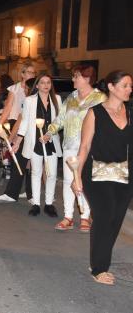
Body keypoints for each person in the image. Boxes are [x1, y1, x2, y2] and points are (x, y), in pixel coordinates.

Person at [73, 70, 132, 285]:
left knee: (115, 221)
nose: (129, 89)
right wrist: (76, 175)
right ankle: (99, 268)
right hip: (97, 173)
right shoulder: (95, 113)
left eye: (130, 86)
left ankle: (98, 258)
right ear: (111, 87)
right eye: (125, 85)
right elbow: (85, 146)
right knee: (104, 215)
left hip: (124, 175)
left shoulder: (131, 110)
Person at [46, 64, 105, 232]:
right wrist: (49, 132)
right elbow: (61, 118)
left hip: (90, 147)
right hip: (70, 147)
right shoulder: (71, 97)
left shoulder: (100, 99)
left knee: (84, 181)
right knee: (68, 181)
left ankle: (85, 217)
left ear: (86, 79)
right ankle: (68, 217)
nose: (73, 79)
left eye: (76, 76)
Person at [11, 75, 62, 217]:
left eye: (48, 82)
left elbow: (59, 120)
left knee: (51, 174)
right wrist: (18, 141)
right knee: (36, 172)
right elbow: (25, 122)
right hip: (34, 142)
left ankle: (49, 203)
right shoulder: (30, 101)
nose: (46, 85)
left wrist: (50, 134)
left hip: (50, 141)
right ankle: (36, 204)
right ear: (37, 85)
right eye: (42, 82)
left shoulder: (57, 99)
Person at [0, 78, 37, 203]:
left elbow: (21, 120)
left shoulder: (29, 100)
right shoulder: (35, 99)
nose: (23, 89)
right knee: (31, 165)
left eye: (25, 88)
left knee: (19, 162)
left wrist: (11, 137)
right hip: (33, 134)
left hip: (27, 134)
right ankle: (31, 194)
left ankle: (12, 194)